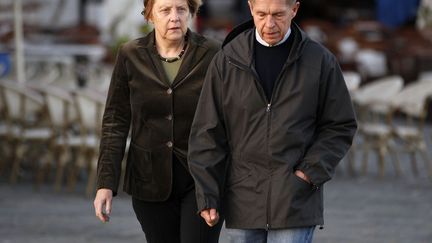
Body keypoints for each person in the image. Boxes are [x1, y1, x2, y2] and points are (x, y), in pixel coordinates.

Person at [188, 0, 358, 242]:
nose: (269, 23)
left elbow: (340, 125)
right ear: (250, 8)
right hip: (242, 199)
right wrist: (207, 195)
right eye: (262, 14)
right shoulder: (227, 60)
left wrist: (307, 174)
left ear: (294, 10)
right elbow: (206, 132)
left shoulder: (320, 61)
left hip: (294, 200)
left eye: (278, 14)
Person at [93, 0, 223, 242]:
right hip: (148, 180)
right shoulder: (130, 54)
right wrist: (105, 184)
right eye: (165, 10)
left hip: (202, 179)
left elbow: (229, 115)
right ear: (149, 15)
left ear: (191, 13)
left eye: (181, 9)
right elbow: (115, 121)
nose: (174, 17)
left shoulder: (213, 53)